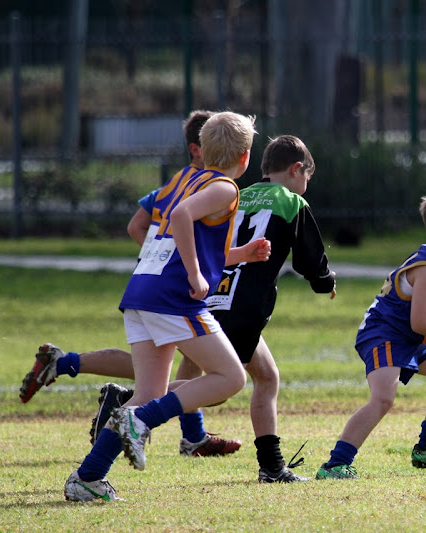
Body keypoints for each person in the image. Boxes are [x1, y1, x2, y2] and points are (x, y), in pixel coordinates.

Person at [19, 110, 265, 458]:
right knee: (230, 378)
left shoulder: (182, 179)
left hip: (142, 290)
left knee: (148, 393)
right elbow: (181, 217)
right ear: (245, 156)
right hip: (173, 297)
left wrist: (242, 254)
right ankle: (150, 422)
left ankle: (88, 476)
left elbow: (167, 233)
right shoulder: (224, 188)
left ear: (202, 148)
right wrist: (194, 274)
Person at [315, 186, 426, 480]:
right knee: (383, 399)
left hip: (408, 335)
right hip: (384, 335)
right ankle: (335, 465)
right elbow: (420, 323)